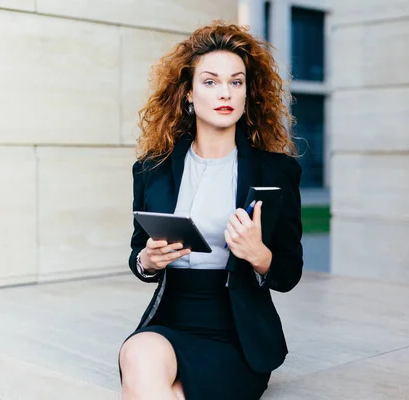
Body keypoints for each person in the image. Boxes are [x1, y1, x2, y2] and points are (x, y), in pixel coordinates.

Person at [118, 21, 303, 400]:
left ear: (248, 93)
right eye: (210, 81)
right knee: (136, 353)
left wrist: (260, 256)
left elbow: (290, 272)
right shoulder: (152, 170)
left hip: (238, 332)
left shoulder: (277, 172)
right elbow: (139, 253)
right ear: (188, 95)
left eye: (236, 82)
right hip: (171, 319)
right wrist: (148, 261)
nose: (225, 93)